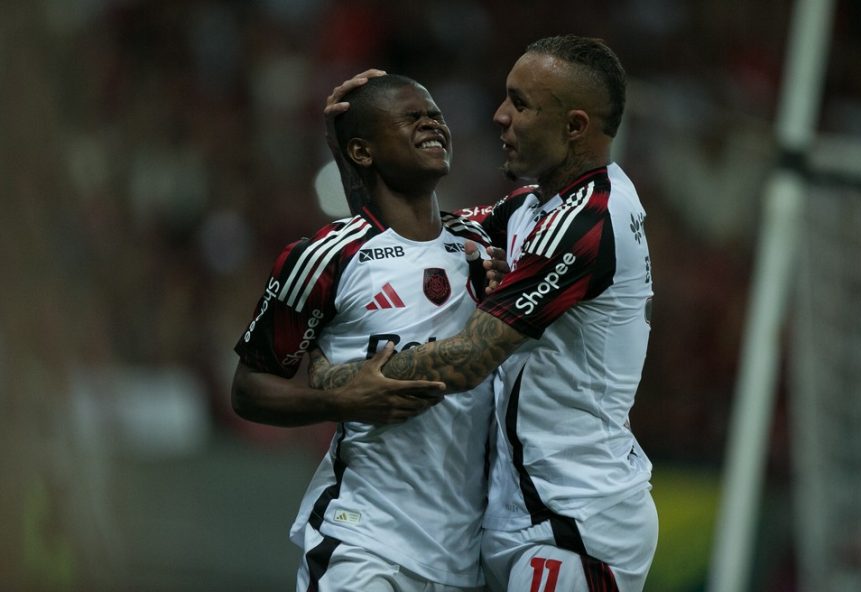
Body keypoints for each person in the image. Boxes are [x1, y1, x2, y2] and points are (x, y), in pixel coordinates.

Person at [312, 36, 658, 591]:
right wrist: (358, 151)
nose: (500, 117)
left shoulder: (591, 220)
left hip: (573, 520)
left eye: (521, 104)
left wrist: (342, 383)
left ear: (574, 127)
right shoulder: (531, 205)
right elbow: (407, 241)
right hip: (515, 516)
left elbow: (468, 360)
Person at [231, 73, 504, 591]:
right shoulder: (324, 257)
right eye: (410, 116)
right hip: (363, 541)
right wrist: (344, 400)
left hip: (464, 558)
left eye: (435, 115)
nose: (431, 123)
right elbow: (248, 389)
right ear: (362, 150)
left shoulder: (481, 239)